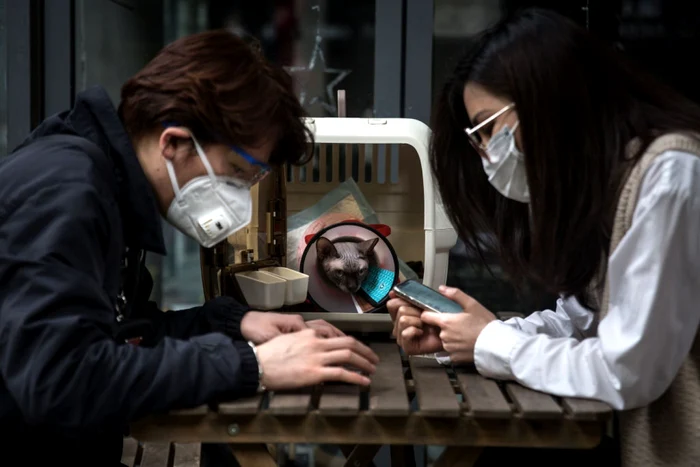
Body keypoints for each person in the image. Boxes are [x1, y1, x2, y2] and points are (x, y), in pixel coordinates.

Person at [0, 30, 379, 466]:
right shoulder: (64, 189)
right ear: (174, 142)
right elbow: (62, 380)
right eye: (238, 172)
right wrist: (252, 366)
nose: (241, 195)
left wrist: (236, 326)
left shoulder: (108, 187)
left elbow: (125, 337)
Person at [388, 8, 700, 467]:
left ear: (552, 99)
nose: (489, 153)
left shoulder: (670, 175)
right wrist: (470, 335)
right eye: (479, 138)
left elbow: (627, 369)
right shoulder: (609, 183)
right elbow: (584, 318)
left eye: (491, 127)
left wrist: (492, 342)